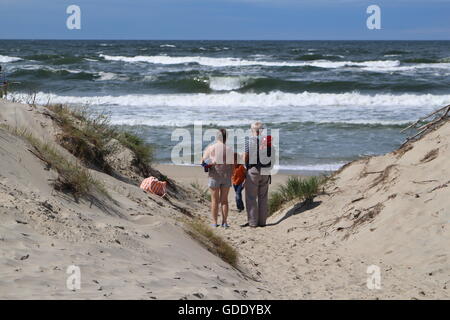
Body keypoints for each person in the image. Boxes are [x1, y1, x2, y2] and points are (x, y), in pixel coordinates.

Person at [242, 121, 273, 228]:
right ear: (262, 130)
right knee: (263, 197)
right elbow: (272, 155)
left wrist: (245, 167)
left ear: (252, 130)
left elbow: (246, 156)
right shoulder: (268, 141)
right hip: (266, 170)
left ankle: (253, 222)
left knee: (251, 197)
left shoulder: (249, 141)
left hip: (253, 170)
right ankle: (262, 222)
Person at [202, 128, 234, 228]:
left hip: (214, 175)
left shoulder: (211, 148)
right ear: (226, 137)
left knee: (214, 200)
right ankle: (224, 222)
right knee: (224, 200)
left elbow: (202, 161)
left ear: (217, 137)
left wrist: (210, 162)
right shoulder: (229, 149)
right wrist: (231, 175)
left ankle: (215, 223)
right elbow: (232, 165)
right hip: (226, 176)